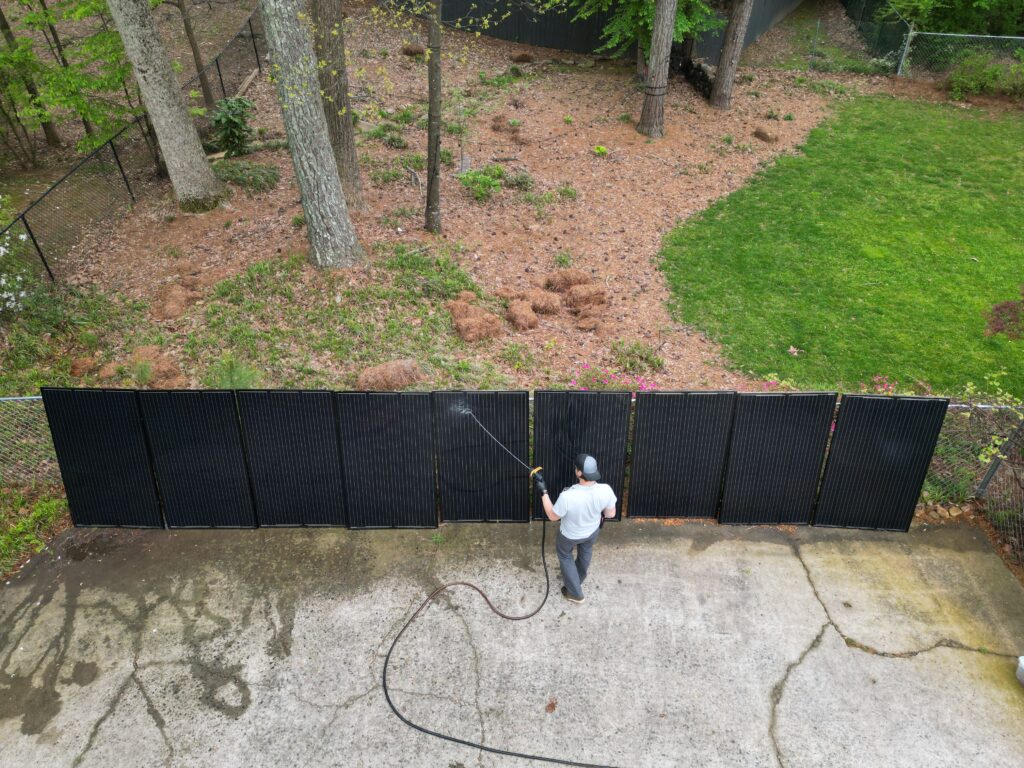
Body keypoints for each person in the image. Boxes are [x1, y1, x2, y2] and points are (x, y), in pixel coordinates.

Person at [534, 454, 616, 604]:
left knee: (565, 555)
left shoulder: (567, 496)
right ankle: (577, 578)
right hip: (592, 532)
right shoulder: (606, 490)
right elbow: (611, 513)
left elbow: (553, 516)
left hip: (569, 535)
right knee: (586, 550)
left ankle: (575, 593)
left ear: (579, 473)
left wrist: (543, 492)